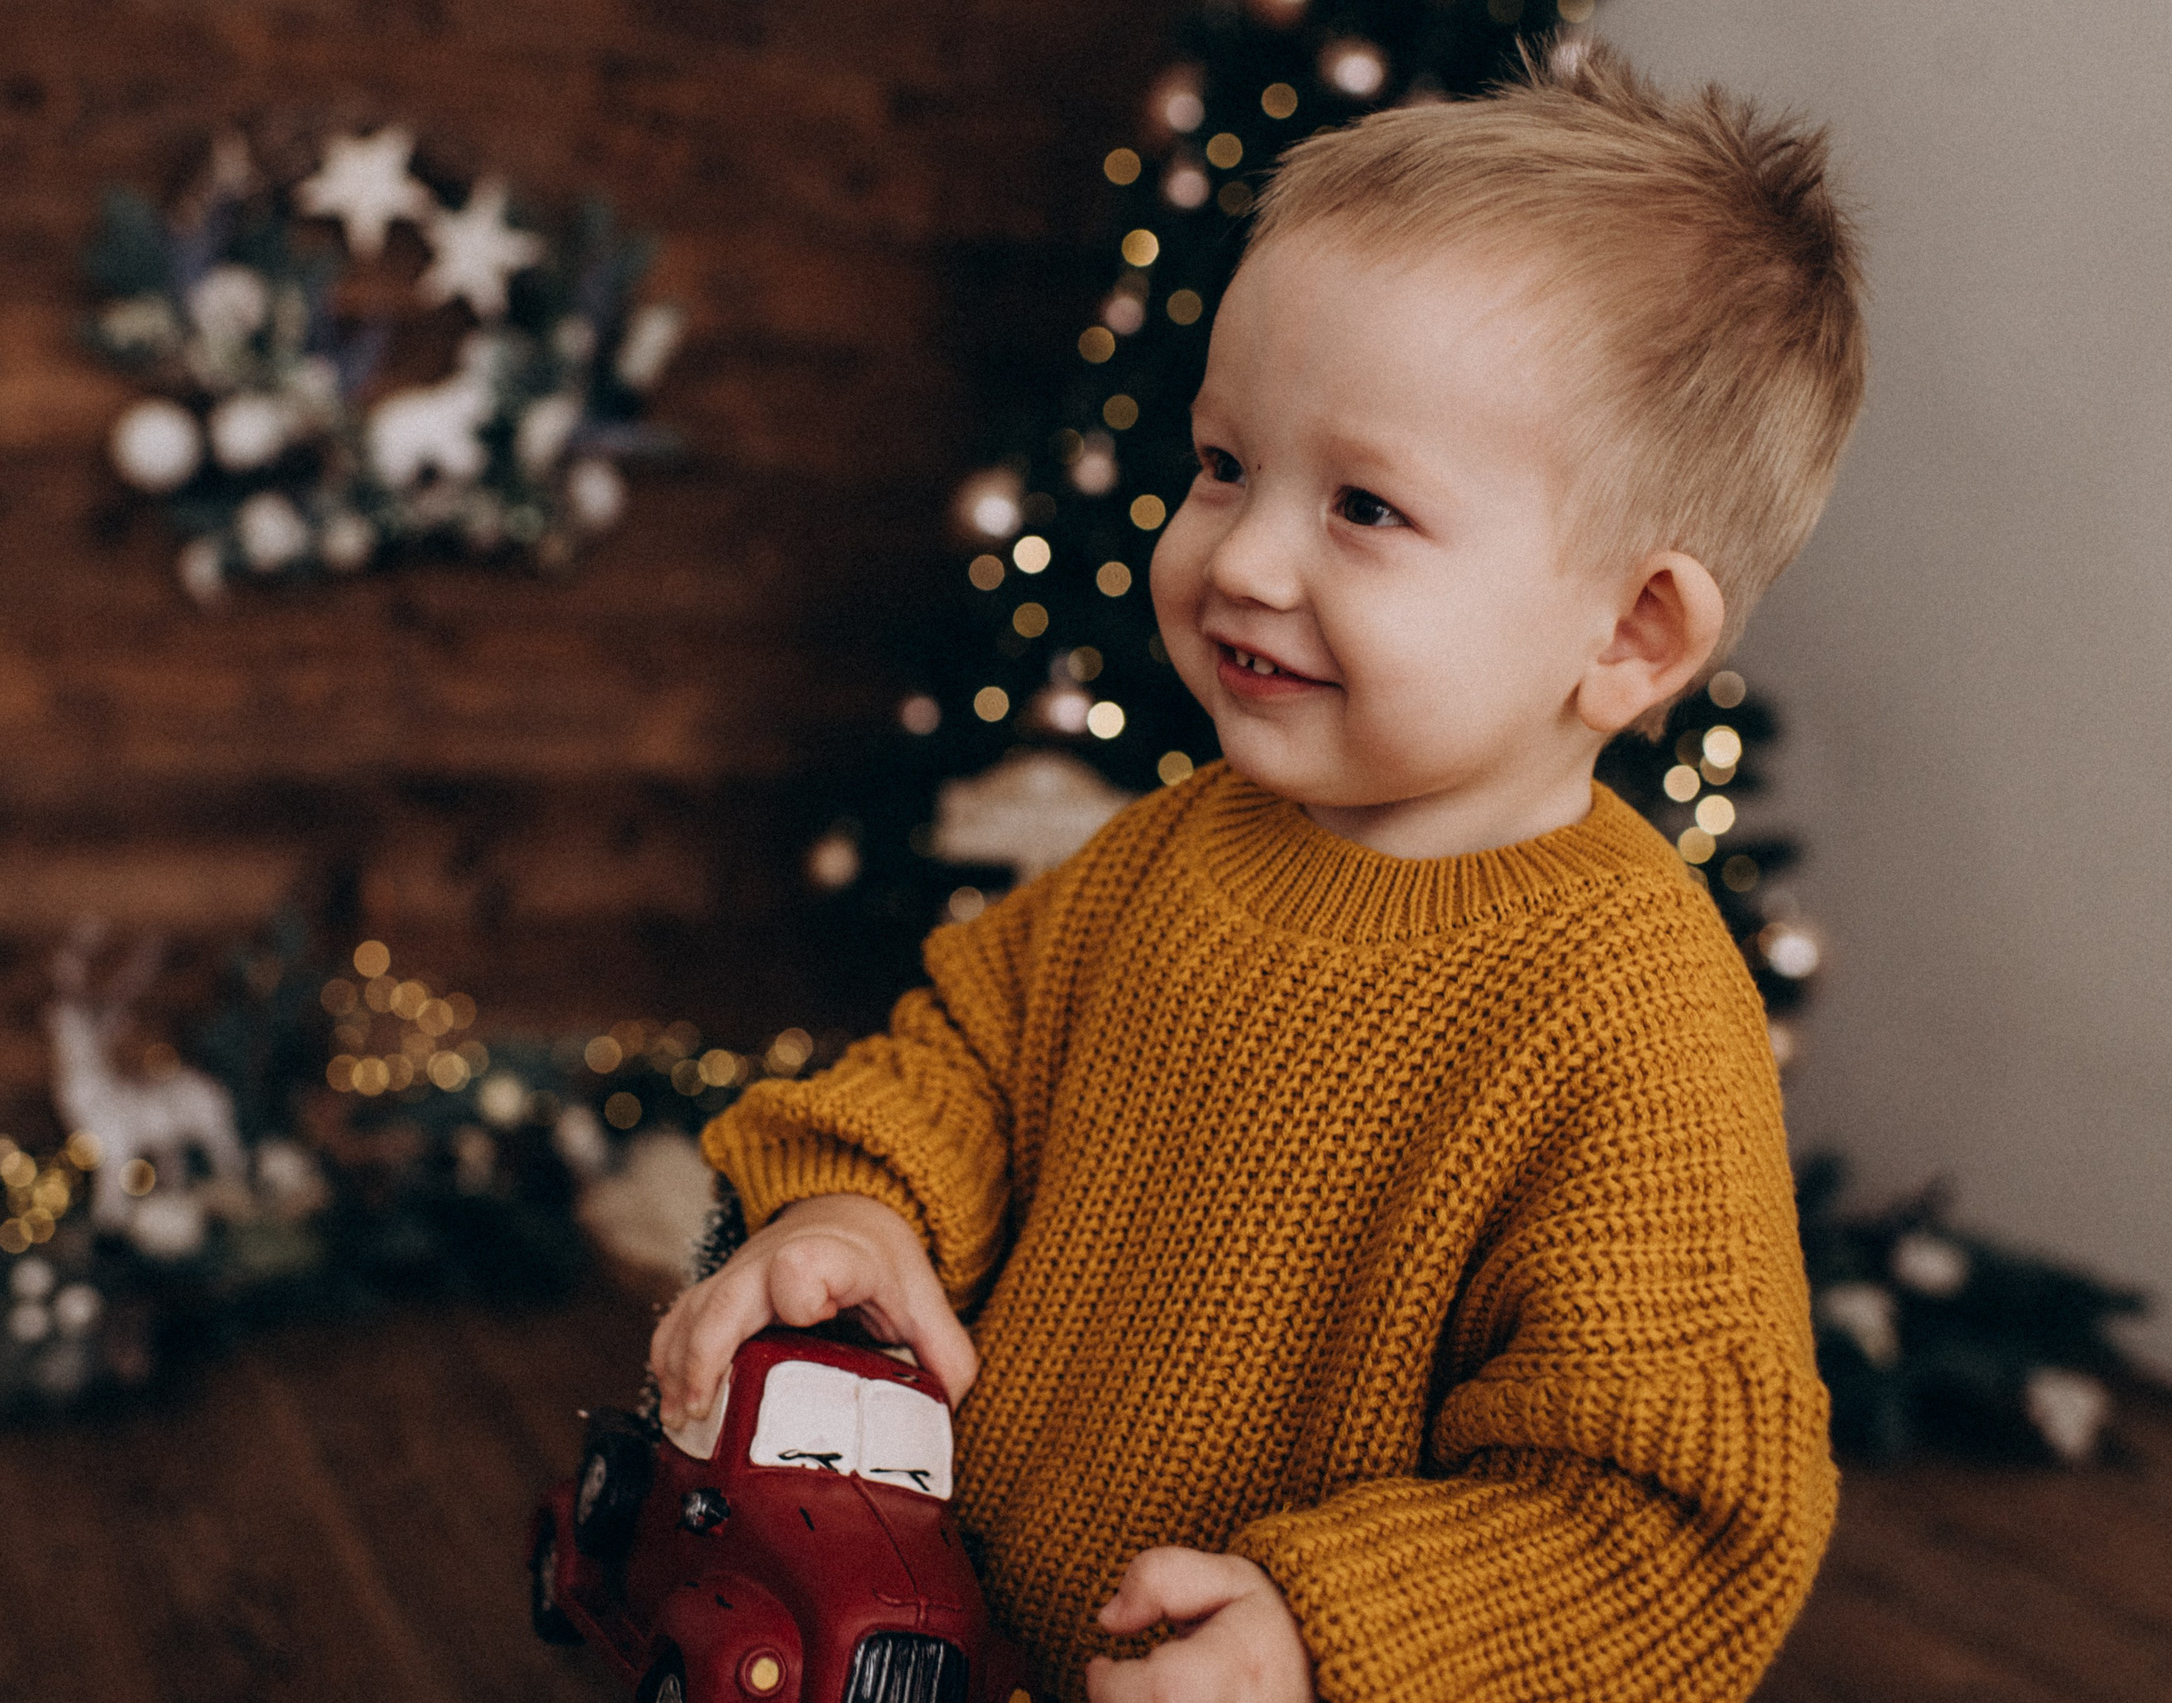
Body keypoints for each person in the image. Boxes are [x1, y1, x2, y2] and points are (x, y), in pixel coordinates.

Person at [653, 42, 1863, 1703]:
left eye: (1364, 505)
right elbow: (969, 1060)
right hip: (954, 1636)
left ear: (1630, 632)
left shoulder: (1625, 1012)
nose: (1240, 556)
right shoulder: (1179, 841)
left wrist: (1332, 1636)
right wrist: (865, 1198)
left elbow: (1665, 1517)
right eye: (1225, 464)